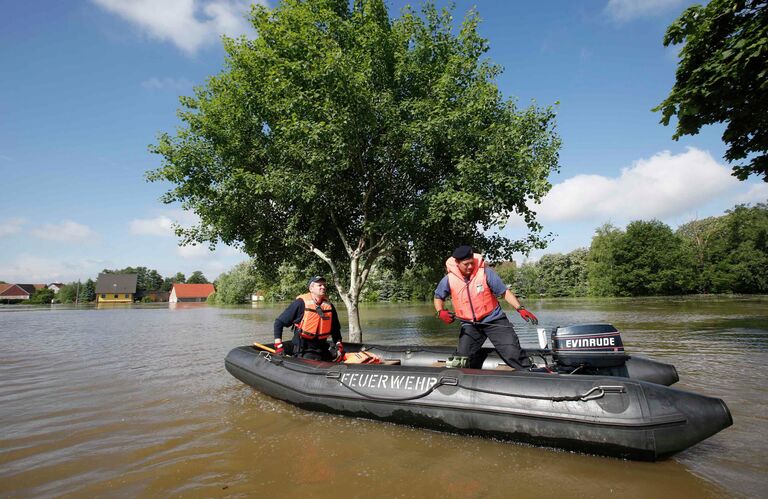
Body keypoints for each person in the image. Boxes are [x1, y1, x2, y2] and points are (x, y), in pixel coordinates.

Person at [434, 245, 538, 370]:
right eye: (466, 264)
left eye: (472, 263)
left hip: (494, 320)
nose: (470, 267)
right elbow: (438, 297)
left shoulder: (485, 273)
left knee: (511, 353)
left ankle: (530, 371)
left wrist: (520, 308)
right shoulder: (448, 279)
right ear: (457, 263)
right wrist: (440, 311)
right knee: (462, 358)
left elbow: (504, 292)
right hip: (470, 325)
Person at [273, 275, 344, 361]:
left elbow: (335, 329)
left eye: (324, 285)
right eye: (319, 285)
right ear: (311, 288)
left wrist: (338, 344)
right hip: (304, 350)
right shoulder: (300, 303)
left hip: (322, 348)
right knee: (313, 359)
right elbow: (279, 323)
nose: (323, 287)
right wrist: (278, 345)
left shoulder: (329, 306)